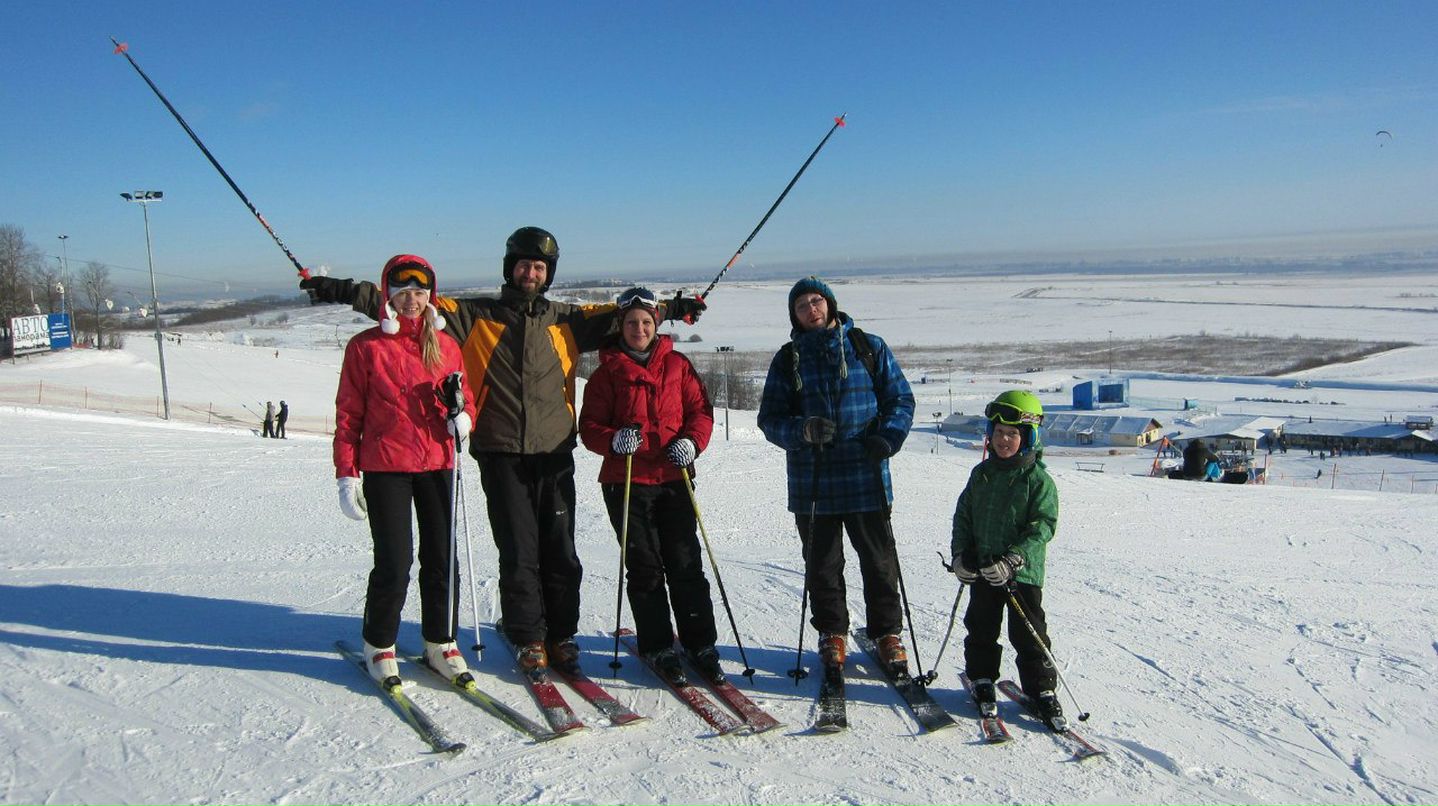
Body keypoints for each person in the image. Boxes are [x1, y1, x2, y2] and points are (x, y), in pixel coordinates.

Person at [303, 227, 705, 674]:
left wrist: (674, 309)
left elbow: (627, 317)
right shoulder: (477, 314)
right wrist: (342, 290)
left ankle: (561, 634)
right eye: (524, 265)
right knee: (518, 549)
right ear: (510, 268)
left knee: (561, 549)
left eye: (539, 267)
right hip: (500, 450)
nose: (531, 273)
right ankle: (528, 635)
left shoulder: (568, 319)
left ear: (548, 273)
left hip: (553, 449)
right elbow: (410, 302)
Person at [757, 276, 915, 675]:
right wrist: (802, 431)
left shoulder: (868, 346)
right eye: (802, 305)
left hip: (866, 476)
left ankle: (887, 633)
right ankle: (832, 632)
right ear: (793, 315)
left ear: (830, 304)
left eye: (816, 301)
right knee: (822, 566)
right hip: (813, 481)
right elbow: (770, 419)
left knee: (879, 562)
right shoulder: (788, 359)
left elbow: (900, 399)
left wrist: (888, 438)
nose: (811, 309)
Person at [332, 254, 477, 685]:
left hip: (438, 463)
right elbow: (348, 415)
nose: (411, 300)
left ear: (430, 296)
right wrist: (346, 473)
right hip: (386, 467)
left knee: (442, 559)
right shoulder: (366, 347)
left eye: (419, 292)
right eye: (402, 293)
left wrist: (462, 418)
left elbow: (464, 396)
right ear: (388, 297)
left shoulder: (446, 346)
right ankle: (379, 643)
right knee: (394, 561)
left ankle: (441, 641)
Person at [578, 287, 718, 683]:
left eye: (645, 322)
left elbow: (700, 411)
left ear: (656, 324)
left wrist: (692, 442)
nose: (638, 329)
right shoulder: (606, 373)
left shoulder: (677, 365)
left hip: (674, 478)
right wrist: (613, 440)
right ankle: (657, 645)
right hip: (626, 481)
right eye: (631, 323)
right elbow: (589, 427)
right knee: (645, 568)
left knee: (685, 562)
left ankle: (700, 643)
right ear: (620, 326)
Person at [949, 390, 1064, 730]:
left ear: (1028, 437)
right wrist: (960, 555)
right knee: (981, 625)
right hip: (985, 567)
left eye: (1012, 434)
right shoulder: (981, 474)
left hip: (1021, 574)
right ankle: (982, 677)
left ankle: (1041, 689)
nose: (1003, 440)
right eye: (998, 432)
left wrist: (1015, 559)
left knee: (1028, 632)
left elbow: (1043, 526)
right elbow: (964, 516)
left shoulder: (1037, 480)